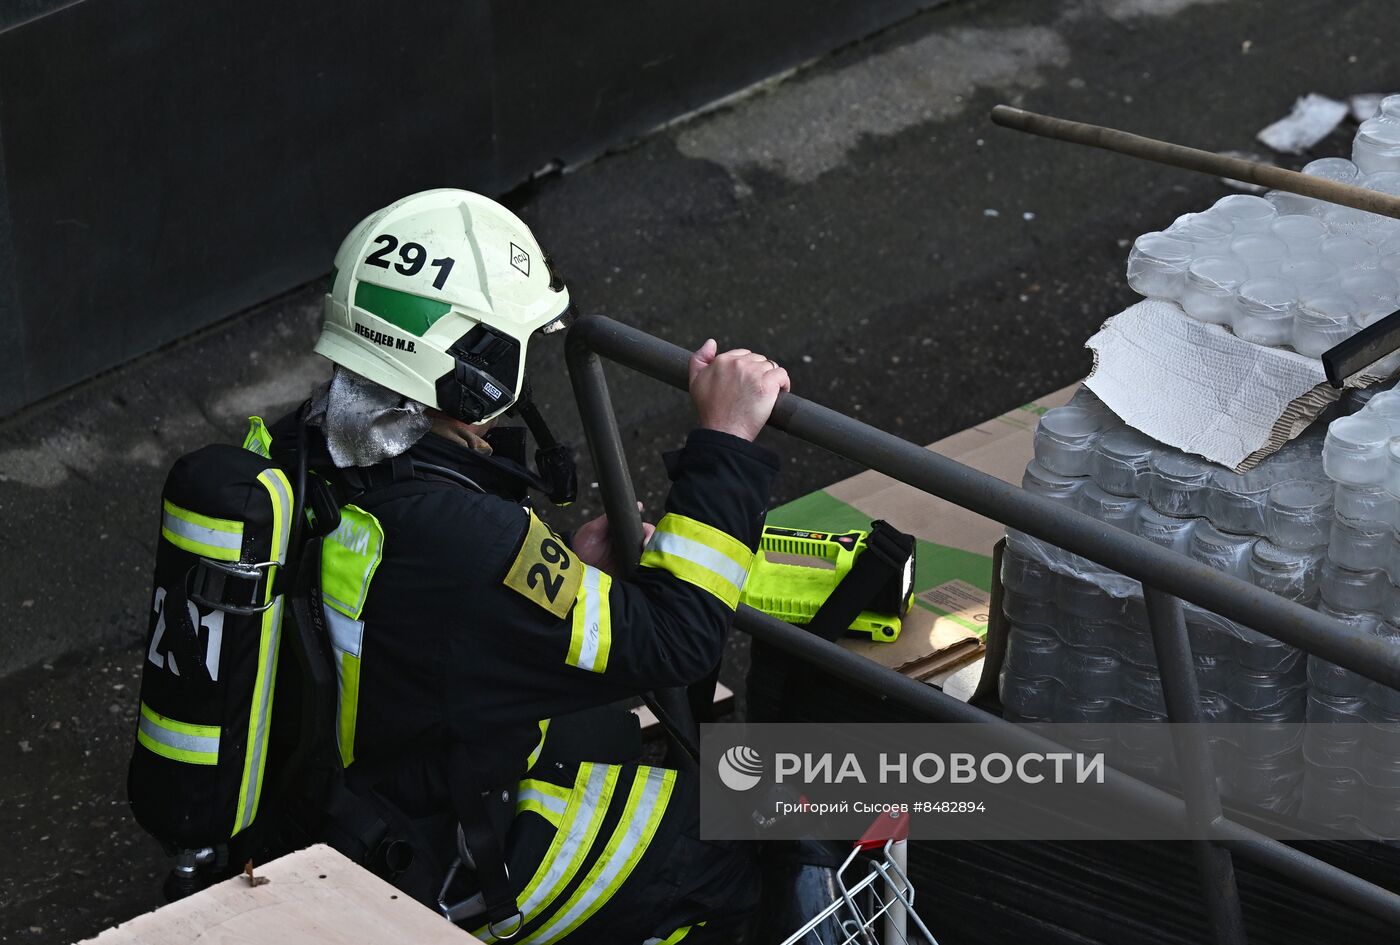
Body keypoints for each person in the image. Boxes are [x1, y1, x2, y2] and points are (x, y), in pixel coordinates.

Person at [255, 188, 789, 943]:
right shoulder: (459, 530)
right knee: (738, 825)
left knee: (612, 731)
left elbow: (416, 618)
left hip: (359, 799)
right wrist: (727, 442)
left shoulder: (308, 449)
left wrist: (569, 569)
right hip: (448, 863)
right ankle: (1002, 791)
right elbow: (676, 640)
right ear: (477, 362)